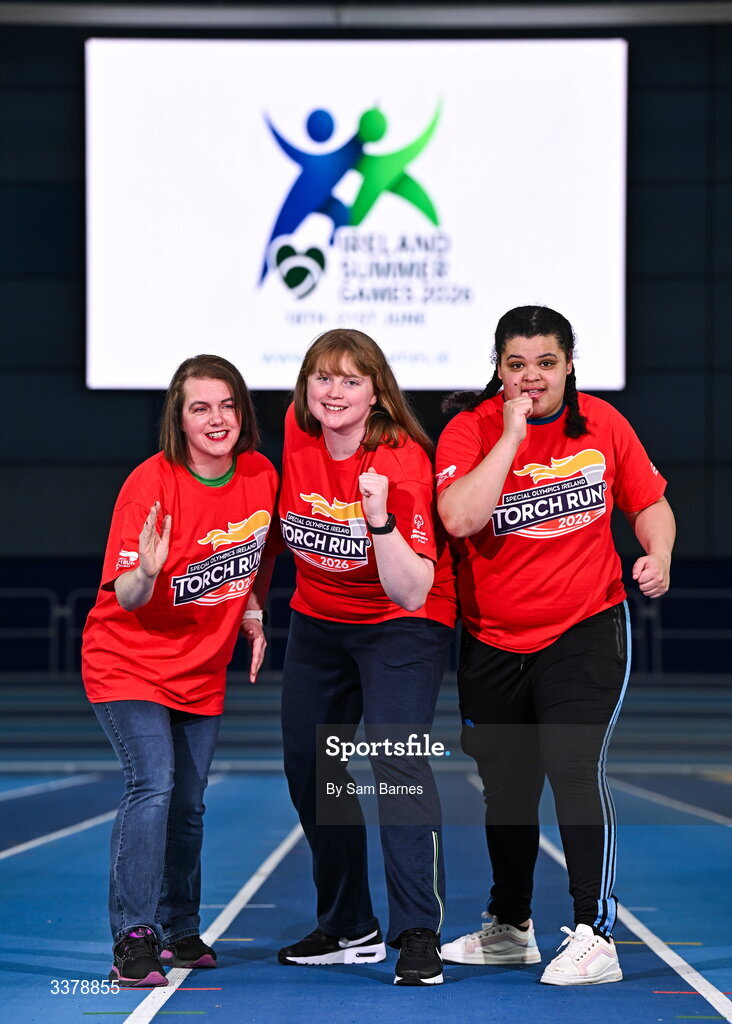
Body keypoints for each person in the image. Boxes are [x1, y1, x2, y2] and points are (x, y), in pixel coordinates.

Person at [435, 305, 675, 986]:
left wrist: (658, 551)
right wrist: (510, 436)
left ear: (569, 364)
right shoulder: (469, 430)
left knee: (573, 765)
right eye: (517, 365)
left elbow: (649, 501)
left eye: (546, 363)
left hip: (585, 628)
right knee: (506, 789)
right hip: (491, 640)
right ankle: (511, 927)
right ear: (498, 368)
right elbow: (458, 517)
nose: (532, 378)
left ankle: (596, 932)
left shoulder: (605, 424)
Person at [82, 355, 278, 988]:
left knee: (190, 805)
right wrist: (148, 568)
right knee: (155, 784)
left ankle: (178, 927)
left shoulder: (260, 475)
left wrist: (251, 612)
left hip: (200, 669)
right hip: (127, 661)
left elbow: (255, 555)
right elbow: (130, 595)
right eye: (201, 407)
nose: (217, 419)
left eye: (227, 405)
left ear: (242, 412)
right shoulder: (151, 483)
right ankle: (133, 939)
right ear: (180, 418)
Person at [276, 328, 456, 986]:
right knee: (309, 764)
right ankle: (351, 924)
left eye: (351, 380)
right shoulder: (299, 436)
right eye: (323, 377)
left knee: (395, 755)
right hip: (319, 619)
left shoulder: (403, 461)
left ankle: (417, 933)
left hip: (400, 620)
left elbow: (409, 589)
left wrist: (378, 520)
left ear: (376, 392)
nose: (334, 391)